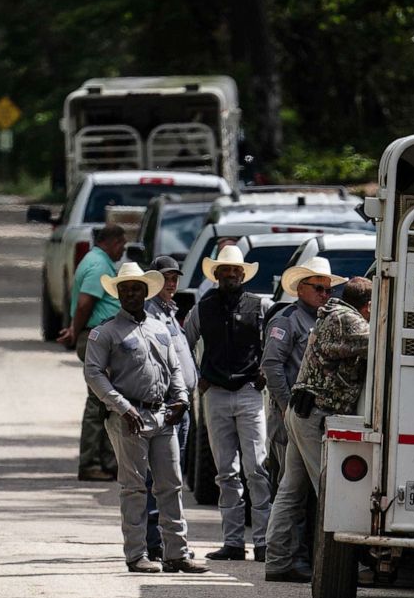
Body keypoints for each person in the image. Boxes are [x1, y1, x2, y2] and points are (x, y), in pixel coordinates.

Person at [83, 262, 209, 575]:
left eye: (135, 288)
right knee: (134, 488)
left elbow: (175, 367)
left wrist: (180, 398)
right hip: (129, 419)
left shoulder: (160, 327)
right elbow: (93, 373)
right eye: (124, 289)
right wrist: (121, 406)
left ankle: (176, 553)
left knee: (171, 485)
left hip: (163, 415)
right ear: (117, 293)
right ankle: (137, 555)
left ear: (145, 291)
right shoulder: (105, 332)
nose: (130, 293)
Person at [265, 277, 372, 582]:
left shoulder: (333, 316)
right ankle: (344, 565)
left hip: (306, 411)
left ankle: (278, 559)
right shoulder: (346, 320)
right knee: (330, 491)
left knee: (291, 490)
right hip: (316, 413)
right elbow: (380, 340)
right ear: (366, 306)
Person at [185, 245, 273, 561]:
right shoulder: (202, 307)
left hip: (250, 393)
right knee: (226, 472)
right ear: (217, 275)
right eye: (225, 270)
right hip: (217, 395)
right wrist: (198, 377)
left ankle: (263, 543)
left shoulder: (260, 306)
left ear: (243, 274)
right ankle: (233, 542)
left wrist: (266, 367)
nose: (231, 274)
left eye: (236, 270)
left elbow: (275, 339)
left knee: (257, 469)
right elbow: (184, 344)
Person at [58, 224, 126, 482]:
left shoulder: (96, 261)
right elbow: (86, 302)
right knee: (99, 401)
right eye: (121, 243)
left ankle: (108, 462)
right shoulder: (99, 265)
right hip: (98, 339)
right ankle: (91, 463)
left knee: (107, 401)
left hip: (99, 337)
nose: (122, 249)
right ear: (110, 242)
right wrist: (75, 330)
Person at [142, 255, 197, 560]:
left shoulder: (170, 313)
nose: (172, 283)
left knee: (172, 479)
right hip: (165, 407)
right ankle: (156, 543)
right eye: (166, 278)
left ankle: (168, 542)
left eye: (175, 278)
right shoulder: (150, 314)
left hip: (181, 405)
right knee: (158, 478)